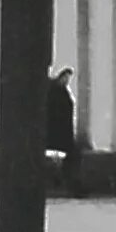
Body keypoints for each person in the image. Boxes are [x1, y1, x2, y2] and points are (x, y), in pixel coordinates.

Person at [45, 66, 81, 195]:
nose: (66, 81)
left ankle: (65, 182)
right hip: (57, 134)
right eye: (65, 78)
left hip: (61, 134)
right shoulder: (55, 92)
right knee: (69, 157)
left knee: (70, 157)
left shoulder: (60, 92)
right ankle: (64, 183)